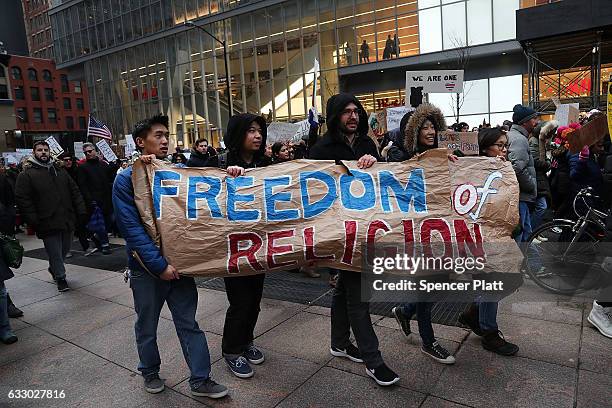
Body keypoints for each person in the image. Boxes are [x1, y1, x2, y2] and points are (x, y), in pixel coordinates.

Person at [112, 114, 228, 398]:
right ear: (141, 142)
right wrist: (159, 265)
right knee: (147, 324)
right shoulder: (126, 179)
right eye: (158, 135)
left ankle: (201, 379)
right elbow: (132, 229)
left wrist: (232, 174)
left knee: (189, 323)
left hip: (181, 265)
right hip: (146, 269)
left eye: (167, 135)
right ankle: (149, 371)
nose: (165, 140)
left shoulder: (178, 171)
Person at [309, 93, 400, 387]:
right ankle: (374, 361)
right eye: (347, 112)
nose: (353, 116)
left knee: (345, 291)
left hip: (362, 231)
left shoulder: (365, 143)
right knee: (358, 295)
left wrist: (373, 161)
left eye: (356, 111)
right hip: (336, 233)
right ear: (335, 115)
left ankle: (338, 343)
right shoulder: (320, 149)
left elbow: (377, 178)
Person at [202, 113, 271, 380]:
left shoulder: (266, 164)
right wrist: (225, 177)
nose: (258, 136)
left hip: (260, 245)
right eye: (251, 131)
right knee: (240, 301)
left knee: (254, 300)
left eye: (259, 131)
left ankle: (247, 341)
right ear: (237, 133)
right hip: (232, 248)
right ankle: (231, 350)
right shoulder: (218, 163)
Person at [389, 103, 457, 365]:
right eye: (424, 127)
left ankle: (405, 311)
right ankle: (429, 343)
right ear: (413, 131)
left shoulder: (442, 154)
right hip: (414, 233)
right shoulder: (398, 155)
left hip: (438, 232)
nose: (430, 131)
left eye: (433, 126)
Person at [458, 127, 521, 355]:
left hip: (497, 236)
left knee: (512, 279)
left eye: (506, 145)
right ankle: (489, 332)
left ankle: (474, 312)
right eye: (500, 145)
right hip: (476, 238)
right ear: (485, 148)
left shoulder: (503, 167)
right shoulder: (472, 169)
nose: (504, 150)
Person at [15, 141, 87, 292]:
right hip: (46, 221)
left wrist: (80, 210)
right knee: (54, 252)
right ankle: (61, 277)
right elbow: (23, 199)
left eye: (46, 150)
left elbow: (74, 191)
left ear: (49, 152)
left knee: (64, 249)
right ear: (34, 153)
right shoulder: (26, 175)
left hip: (67, 219)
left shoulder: (59, 170)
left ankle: (54, 268)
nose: (43, 152)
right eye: (40, 150)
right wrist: (33, 219)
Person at [77, 142, 118, 255]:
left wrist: (116, 165)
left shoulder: (103, 164)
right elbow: (83, 185)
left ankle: (96, 236)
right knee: (101, 223)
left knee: (111, 219)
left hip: (107, 198)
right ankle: (105, 244)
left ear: (95, 151)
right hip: (95, 200)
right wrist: (90, 199)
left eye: (90, 151)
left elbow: (109, 176)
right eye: (86, 152)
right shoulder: (83, 167)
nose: (88, 153)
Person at [507, 104, 538, 242]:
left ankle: (529, 263)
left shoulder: (517, 136)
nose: (536, 122)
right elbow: (517, 167)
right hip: (521, 196)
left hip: (521, 195)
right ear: (524, 122)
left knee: (525, 232)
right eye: (533, 119)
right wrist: (530, 184)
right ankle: (519, 263)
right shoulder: (519, 139)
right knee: (521, 234)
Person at [528, 121, 554, 232]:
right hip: (537, 177)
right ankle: (532, 232)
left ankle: (535, 231)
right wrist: (548, 163)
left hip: (539, 178)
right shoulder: (534, 141)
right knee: (541, 206)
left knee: (539, 206)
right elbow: (535, 161)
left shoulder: (541, 141)